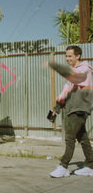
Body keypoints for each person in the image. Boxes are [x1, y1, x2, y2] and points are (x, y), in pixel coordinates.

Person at [48, 45, 93, 178]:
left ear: (78, 56)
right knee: (83, 138)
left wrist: (54, 65)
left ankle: (63, 167)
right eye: (66, 56)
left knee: (69, 138)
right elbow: (65, 93)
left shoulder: (85, 70)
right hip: (72, 108)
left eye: (70, 56)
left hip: (79, 108)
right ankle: (91, 166)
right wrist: (56, 108)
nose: (67, 59)